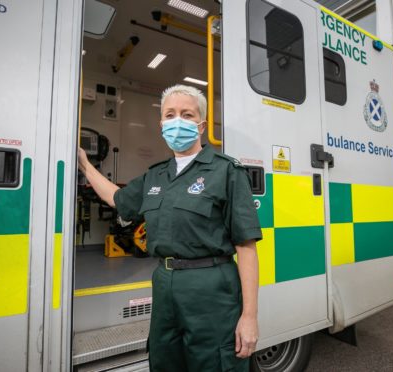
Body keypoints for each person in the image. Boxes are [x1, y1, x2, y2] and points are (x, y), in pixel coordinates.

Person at [78, 84, 261, 371]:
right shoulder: (155, 175)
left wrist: (249, 317)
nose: (177, 121)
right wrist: (86, 166)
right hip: (164, 284)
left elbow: (246, 248)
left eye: (186, 115)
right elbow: (118, 198)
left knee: (213, 362)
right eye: (170, 114)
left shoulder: (226, 171)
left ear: (201, 126)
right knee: (165, 361)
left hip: (211, 287)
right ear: (161, 124)